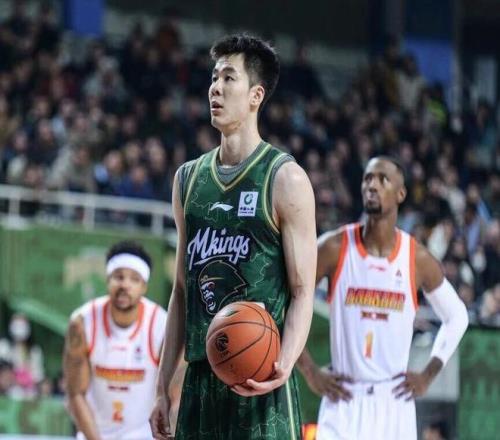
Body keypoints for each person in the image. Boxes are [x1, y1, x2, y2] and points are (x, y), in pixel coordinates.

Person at [149, 33, 317, 440]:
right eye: (213, 78)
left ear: (256, 95)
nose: (215, 88)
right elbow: (181, 292)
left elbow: (302, 290)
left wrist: (283, 366)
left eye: (229, 78)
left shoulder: (286, 179)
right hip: (201, 381)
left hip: (261, 376)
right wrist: (162, 387)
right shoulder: (188, 180)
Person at [297, 156, 469, 440]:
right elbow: (285, 300)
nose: (372, 185)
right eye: (368, 178)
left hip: (394, 402)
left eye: (382, 179)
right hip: (344, 397)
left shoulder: (417, 258)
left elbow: (457, 316)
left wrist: (428, 374)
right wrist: (310, 371)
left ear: (400, 194)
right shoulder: (334, 247)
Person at [63, 241, 167, 440]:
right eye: (118, 276)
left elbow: (172, 393)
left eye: (134, 279)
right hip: (95, 434)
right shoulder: (82, 323)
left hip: (145, 434)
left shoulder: (161, 325)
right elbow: (75, 394)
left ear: (144, 287)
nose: (124, 285)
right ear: (108, 280)